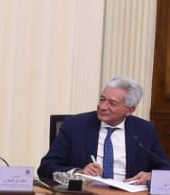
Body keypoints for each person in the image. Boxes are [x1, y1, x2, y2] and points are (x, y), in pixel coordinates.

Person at [40, 76, 168, 184]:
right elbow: (46, 167)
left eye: (112, 103)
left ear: (130, 110)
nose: (102, 106)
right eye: (102, 99)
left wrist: (151, 176)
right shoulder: (74, 126)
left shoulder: (145, 130)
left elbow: (165, 169)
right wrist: (78, 172)